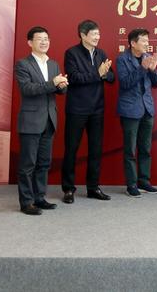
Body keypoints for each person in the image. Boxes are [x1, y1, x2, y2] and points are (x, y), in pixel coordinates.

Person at [14, 26, 68, 215]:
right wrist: (53, 83)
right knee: (28, 164)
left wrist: (62, 86)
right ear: (30, 42)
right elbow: (28, 89)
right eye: (40, 39)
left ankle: (39, 197)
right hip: (31, 121)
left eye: (46, 38)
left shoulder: (53, 64)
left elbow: (58, 90)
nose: (44, 42)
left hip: (49, 120)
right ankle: (26, 202)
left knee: (44, 163)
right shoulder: (23, 64)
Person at [62, 20, 115, 203]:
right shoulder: (71, 53)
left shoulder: (101, 53)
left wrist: (105, 74)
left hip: (97, 109)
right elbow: (74, 78)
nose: (97, 37)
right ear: (83, 35)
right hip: (77, 109)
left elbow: (111, 77)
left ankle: (93, 187)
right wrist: (97, 74)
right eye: (93, 34)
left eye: (98, 34)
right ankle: (68, 189)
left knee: (95, 150)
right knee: (71, 150)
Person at [116, 28, 157, 197]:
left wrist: (153, 70)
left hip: (147, 109)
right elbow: (125, 83)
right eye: (144, 41)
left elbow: (156, 83)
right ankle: (131, 184)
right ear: (133, 43)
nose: (147, 44)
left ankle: (144, 181)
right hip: (130, 110)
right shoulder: (122, 59)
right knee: (130, 150)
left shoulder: (148, 57)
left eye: (148, 41)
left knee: (145, 149)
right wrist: (142, 68)